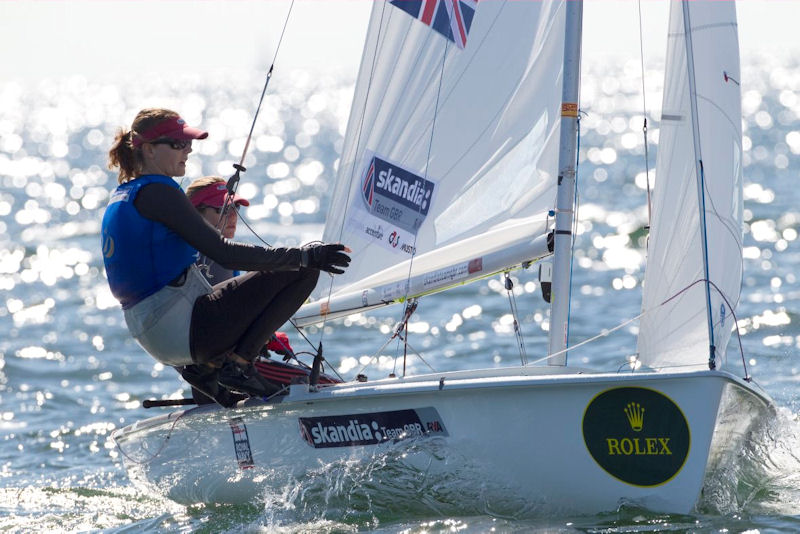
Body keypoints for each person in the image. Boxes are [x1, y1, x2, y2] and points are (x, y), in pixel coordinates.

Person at [101, 108, 350, 407]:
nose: (189, 150)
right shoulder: (157, 193)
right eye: (178, 144)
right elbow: (225, 253)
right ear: (150, 149)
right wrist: (306, 256)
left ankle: (207, 369)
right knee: (302, 270)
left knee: (290, 267)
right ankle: (239, 366)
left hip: (156, 332)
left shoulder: (125, 193)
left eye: (188, 143)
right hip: (181, 328)